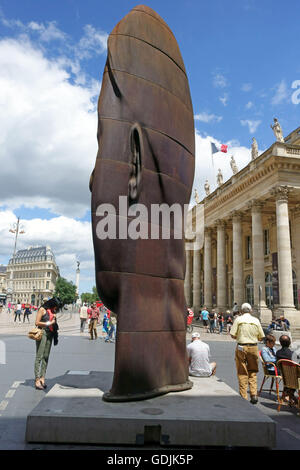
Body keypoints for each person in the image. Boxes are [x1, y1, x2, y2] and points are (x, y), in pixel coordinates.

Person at [230, 302, 265, 404]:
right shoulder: (256, 320)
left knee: (242, 372)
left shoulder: (238, 320)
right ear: (251, 310)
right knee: (253, 371)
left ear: (241, 311)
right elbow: (261, 336)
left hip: (241, 346)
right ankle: (254, 394)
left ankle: (243, 396)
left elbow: (232, 334)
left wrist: (240, 336)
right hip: (253, 347)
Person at [34, 297, 61, 390]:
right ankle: (37, 379)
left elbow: (54, 324)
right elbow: (36, 322)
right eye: (55, 306)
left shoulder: (52, 311)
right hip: (43, 333)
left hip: (50, 334)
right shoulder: (42, 309)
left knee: (46, 356)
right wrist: (49, 323)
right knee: (39, 356)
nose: (56, 309)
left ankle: (42, 378)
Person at [276, 335, 296, 404]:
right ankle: (290, 394)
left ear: (280, 343)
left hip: (283, 374)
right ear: (289, 343)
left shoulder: (278, 352)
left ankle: (289, 394)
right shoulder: (291, 353)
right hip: (292, 377)